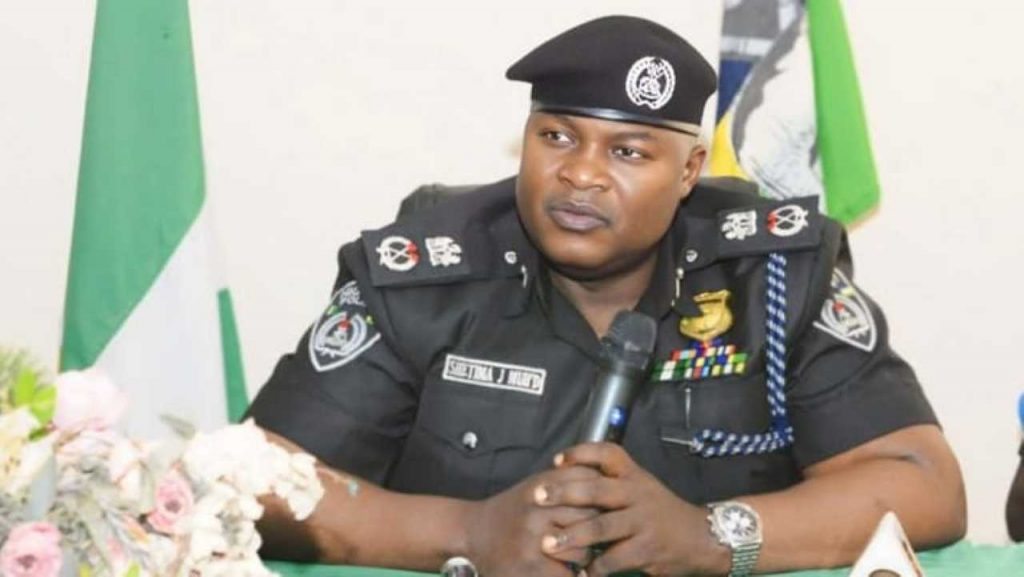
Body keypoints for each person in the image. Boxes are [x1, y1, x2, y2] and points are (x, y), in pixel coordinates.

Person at [249, 15, 966, 577]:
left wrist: (710, 536)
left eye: (628, 151)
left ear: (689, 170)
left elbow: (925, 484)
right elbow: (255, 482)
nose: (581, 174)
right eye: (558, 136)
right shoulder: (426, 274)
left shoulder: (773, 273)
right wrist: (465, 532)